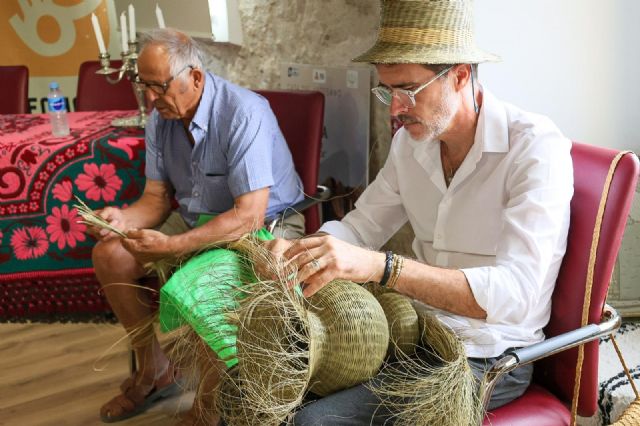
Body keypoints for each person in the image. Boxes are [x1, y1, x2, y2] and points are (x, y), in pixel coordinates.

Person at [263, 0, 574, 424]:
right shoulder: (410, 145)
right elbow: (363, 226)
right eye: (387, 90)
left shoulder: (534, 147)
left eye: (408, 89)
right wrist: (307, 251)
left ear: (460, 75)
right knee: (268, 388)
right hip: (412, 332)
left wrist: (383, 268)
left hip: (489, 359)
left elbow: (515, 295)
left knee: (310, 421)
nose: (395, 109)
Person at [90, 28, 304, 424]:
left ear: (196, 77)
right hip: (197, 221)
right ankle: (154, 369)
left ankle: (208, 407)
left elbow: (248, 216)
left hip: (265, 228)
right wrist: (123, 219)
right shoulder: (163, 117)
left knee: (202, 280)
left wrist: (173, 247)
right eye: (144, 86)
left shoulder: (243, 112)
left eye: (158, 87)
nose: (151, 99)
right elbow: (154, 200)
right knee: (111, 254)